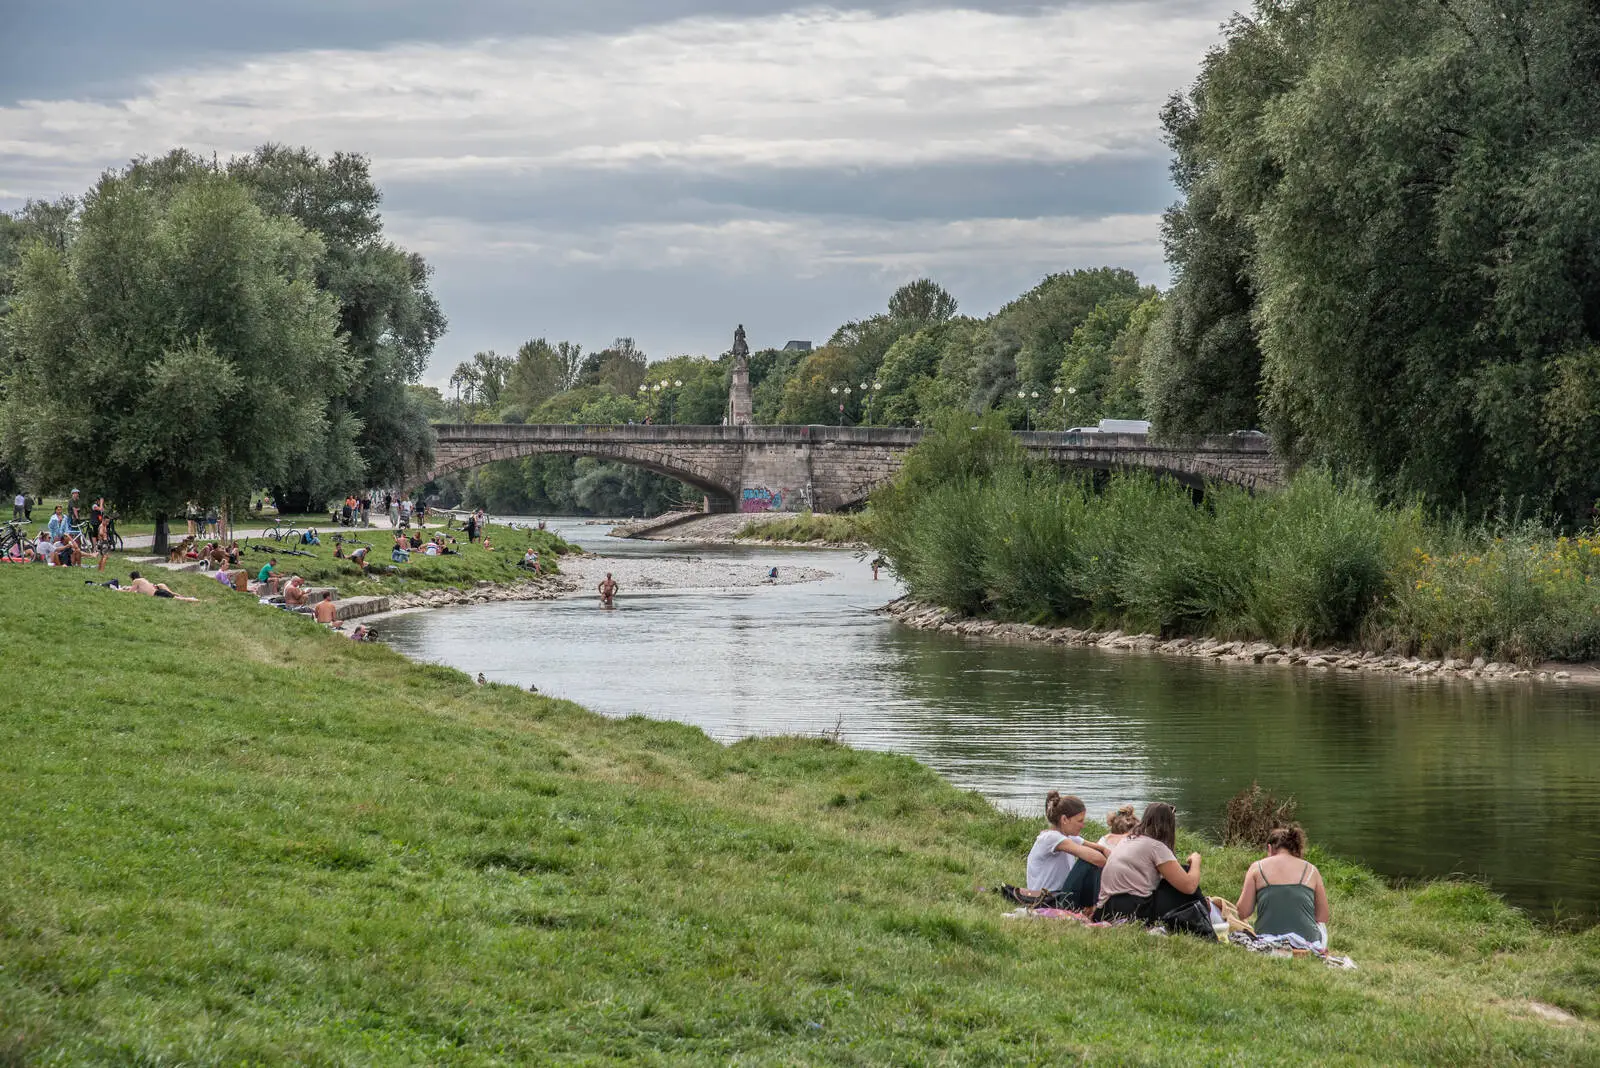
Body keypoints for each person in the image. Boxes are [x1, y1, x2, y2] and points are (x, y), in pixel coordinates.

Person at [1096, 802, 1206, 923]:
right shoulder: (1156, 847)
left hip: (1106, 909)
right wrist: (1195, 861)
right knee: (1186, 874)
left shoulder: (1128, 839)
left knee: (1177, 876)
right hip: (1132, 909)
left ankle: (1204, 912)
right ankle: (1205, 916)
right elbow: (1189, 887)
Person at [1234, 824, 1331, 946]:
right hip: (1308, 942)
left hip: (1267, 939)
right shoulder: (1311, 869)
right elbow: (1323, 916)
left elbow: (1243, 912)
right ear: (1295, 849)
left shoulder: (1257, 867)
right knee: (1321, 926)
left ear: (1270, 848)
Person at [1025, 792, 1111, 910]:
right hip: (1048, 900)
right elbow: (1098, 859)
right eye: (1079, 821)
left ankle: (1093, 906)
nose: (1083, 825)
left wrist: (1107, 851)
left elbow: (1100, 848)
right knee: (1089, 861)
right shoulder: (1052, 838)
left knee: (1094, 855)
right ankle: (1091, 907)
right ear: (1064, 819)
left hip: (1058, 896)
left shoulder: (1067, 837)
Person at [124, 571, 198, 601]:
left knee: (179, 599)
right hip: (159, 591)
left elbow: (131, 592)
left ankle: (194, 600)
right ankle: (190, 598)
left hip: (159, 593)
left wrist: (118, 589)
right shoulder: (142, 580)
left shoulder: (135, 581)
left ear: (132, 577)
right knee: (176, 597)